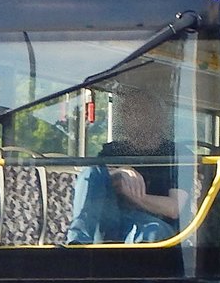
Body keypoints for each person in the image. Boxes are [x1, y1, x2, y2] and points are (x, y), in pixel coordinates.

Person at [66, 89, 189, 244]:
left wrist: (132, 193)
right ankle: (77, 244)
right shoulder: (111, 151)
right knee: (91, 171)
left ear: (157, 118)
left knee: (152, 232)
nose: (129, 117)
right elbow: (93, 179)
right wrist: (119, 173)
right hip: (111, 219)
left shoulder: (177, 154)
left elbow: (173, 208)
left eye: (138, 111)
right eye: (126, 112)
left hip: (153, 222)